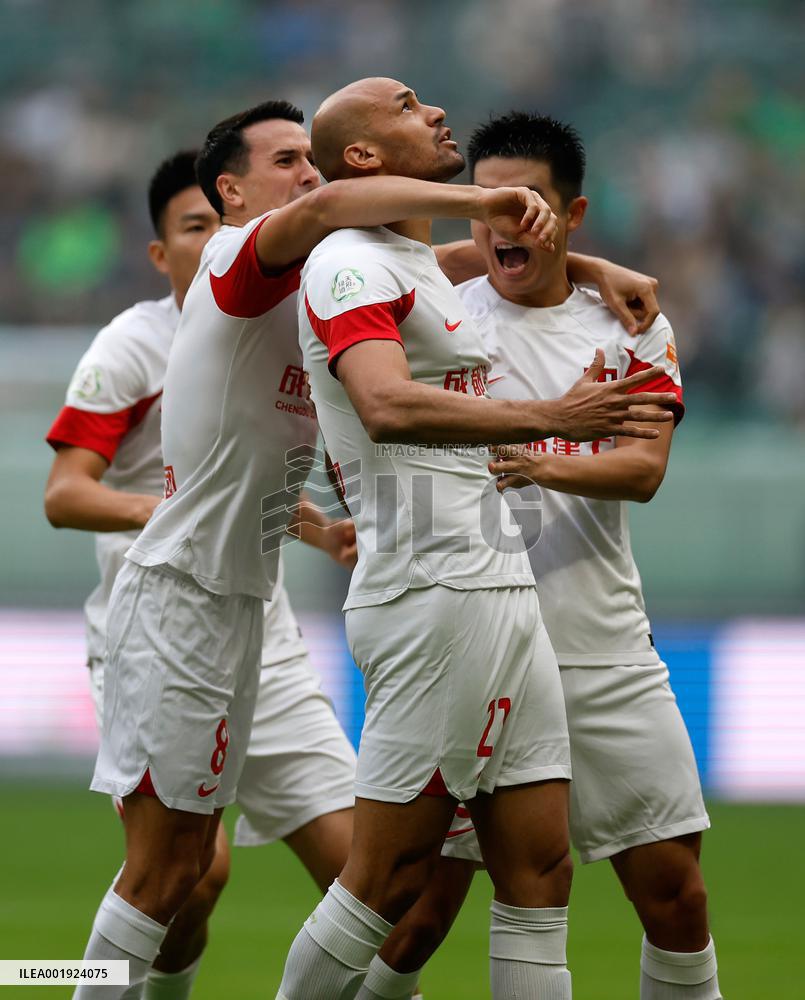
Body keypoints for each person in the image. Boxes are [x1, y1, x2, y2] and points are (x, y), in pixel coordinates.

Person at [66, 95, 604, 1000]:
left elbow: (429, 262)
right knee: (175, 874)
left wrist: (593, 267)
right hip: (181, 593)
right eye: (286, 160)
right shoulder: (238, 256)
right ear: (231, 193)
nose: (307, 176)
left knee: (254, 871)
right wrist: (485, 200)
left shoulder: (322, 273)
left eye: (310, 162)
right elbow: (342, 216)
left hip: (254, 604)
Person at [277, 77, 680, 1000]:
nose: (432, 110)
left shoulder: (415, 260)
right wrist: (552, 417)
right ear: (364, 156)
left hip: (499, 587)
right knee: (387, 882)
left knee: (539, 873)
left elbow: (498, 249)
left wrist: (594, 268)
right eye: (405, 104)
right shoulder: (348, 264)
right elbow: (384, 405)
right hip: (430, 591)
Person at [381, 112, 721, 1000]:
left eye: (527, 204)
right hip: (476, 641)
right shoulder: (441, 318)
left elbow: (641, 471)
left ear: (572, 213)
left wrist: (534, 460)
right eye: (487, 204)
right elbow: (376, 273)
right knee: (414, 916)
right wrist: (594, 266)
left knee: (676, 897)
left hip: (600, 644)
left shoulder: (631, 326)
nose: (504, 223)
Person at [45, 150, 359, 999]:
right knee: (189, 875)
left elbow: (245, 487)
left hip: (265, 631)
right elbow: (65, 494)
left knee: (369, 879)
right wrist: (169, 510)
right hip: (161, 625)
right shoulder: (133, 344)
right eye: (191, 227)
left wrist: (321, 531)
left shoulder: (285, 320)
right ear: (159, 252)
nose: (211, 239)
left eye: (218, 224)